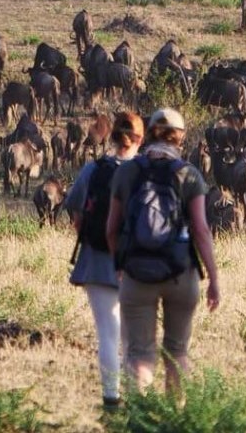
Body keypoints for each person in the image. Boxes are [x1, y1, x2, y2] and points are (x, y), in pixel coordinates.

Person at [104, 108, 220, 393]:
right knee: (177, 352)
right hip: (181, 273)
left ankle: (140, 418)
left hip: (137, 272)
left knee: (139, 355)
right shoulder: (189, 174)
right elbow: (202, 231)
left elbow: (111, 228)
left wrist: (120, 263)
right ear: (180, 138)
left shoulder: (128, 171)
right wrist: (214, 279)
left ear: (150, 133)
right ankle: (176, 420)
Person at [62, 111, 144, 409]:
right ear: (140, 139)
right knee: (134, 338)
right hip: (138, 266)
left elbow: (75, 211)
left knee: (108, 334)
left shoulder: (94, 170)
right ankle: (139, 404)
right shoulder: (147, 173)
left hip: (97, 261)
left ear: (111, 137)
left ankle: (112, 400)